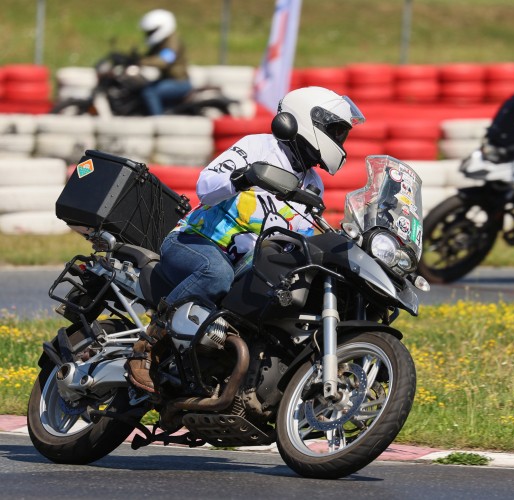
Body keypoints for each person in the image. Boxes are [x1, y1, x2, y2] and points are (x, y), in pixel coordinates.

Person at [126, 86, 366, 393]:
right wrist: (244, 177)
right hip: (196, 241)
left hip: (245, 264)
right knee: (216, 274)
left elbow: (300, 236)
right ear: (309, 121)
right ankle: (148, 344)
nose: (339, 140)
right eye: (334, 131)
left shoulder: (312, 184)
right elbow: (205, 185)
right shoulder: (258, 147)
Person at [137, 9, 192, 115]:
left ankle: (158, 121)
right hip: (167, 79)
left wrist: (141, 61)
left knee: (150, 92)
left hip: (179, 82)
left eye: (151, 32)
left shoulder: (172, 42)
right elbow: (149, 56)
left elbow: (163, 61)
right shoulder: (161, 42)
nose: (149, 35)